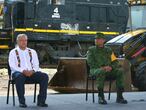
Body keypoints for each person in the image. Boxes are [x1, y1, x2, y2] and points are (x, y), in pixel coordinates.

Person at [9, 34, 49, 108]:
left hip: (31, 73)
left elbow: (36, 65)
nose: (24, 42)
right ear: (17, 42)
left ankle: (41, 101)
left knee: (44, 76)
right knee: (19, 77)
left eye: (25, 40)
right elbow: (12, 66)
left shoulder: (32, 51)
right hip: (19, 74)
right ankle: (22, 102)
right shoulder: (13, 52)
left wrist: (32, 71)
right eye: (21, 40)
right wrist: (23, 71)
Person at [87, 33, 127, 105]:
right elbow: (90, 62)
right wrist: (103, 67)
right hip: (95, 70)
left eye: (99, 39)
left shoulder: (108, 50)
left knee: (120, 72)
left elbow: (115, 62)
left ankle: (120, 97)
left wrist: (111, 67)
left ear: (103, 40)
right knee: (101, 71)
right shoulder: (91, 50)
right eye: (95, 39)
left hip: (108, 70)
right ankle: (101, 97)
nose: (96, 40)